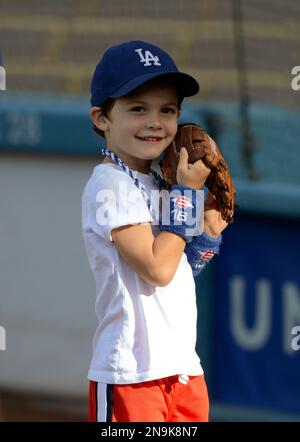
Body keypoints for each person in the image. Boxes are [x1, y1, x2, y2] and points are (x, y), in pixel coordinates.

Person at [82, 40, 229, 422]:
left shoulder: (161, 183)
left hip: (182, 369)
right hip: (131, 373)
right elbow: (156, 267)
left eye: (167, 110)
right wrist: (187, 194)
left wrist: (208, 235)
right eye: (137, 108)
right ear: (101, 118)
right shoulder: (109, 184)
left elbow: (177, 273)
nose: (154, 121)